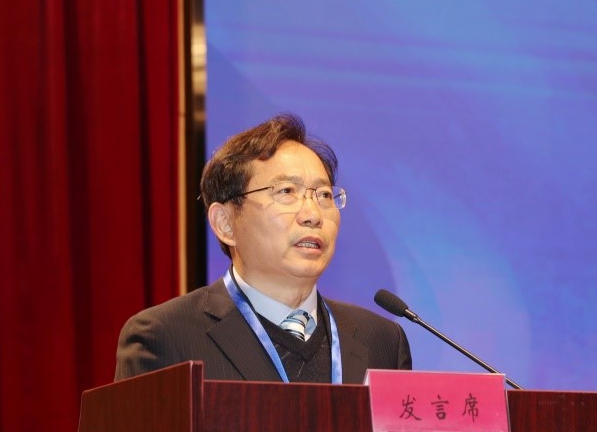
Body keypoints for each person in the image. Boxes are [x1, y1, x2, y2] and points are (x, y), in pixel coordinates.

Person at [115, 114, 411, 383]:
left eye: (323, 195)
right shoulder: (165, 338)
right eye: (286, 191)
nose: (313, 214)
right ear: (225, 224)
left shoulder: (382, 341)